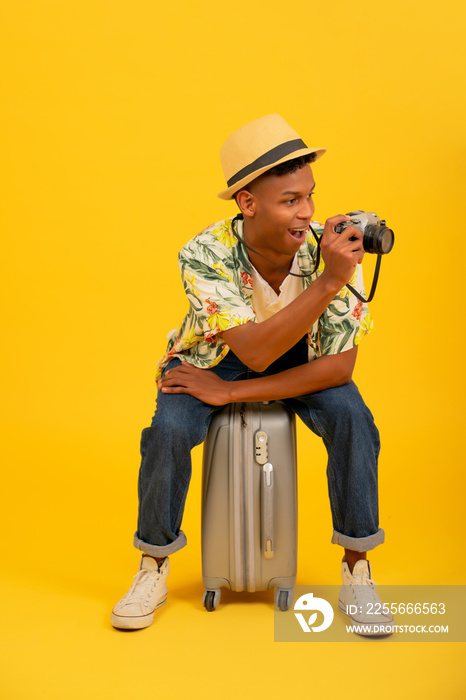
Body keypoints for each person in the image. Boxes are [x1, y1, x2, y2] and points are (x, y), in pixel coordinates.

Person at [111, 114, 394, 636]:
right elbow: (256, 353)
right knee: (168, 432)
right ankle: (152, 566)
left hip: (297, 362)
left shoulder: (326, 250)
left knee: (355, 421)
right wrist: (329, 284)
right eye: (291, 200)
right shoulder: (204, 252)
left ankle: (358, 569)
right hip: (213, 359)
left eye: (310, 196)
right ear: (248, 203)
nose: (307, 212)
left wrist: (234, 394)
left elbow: (339, 365)